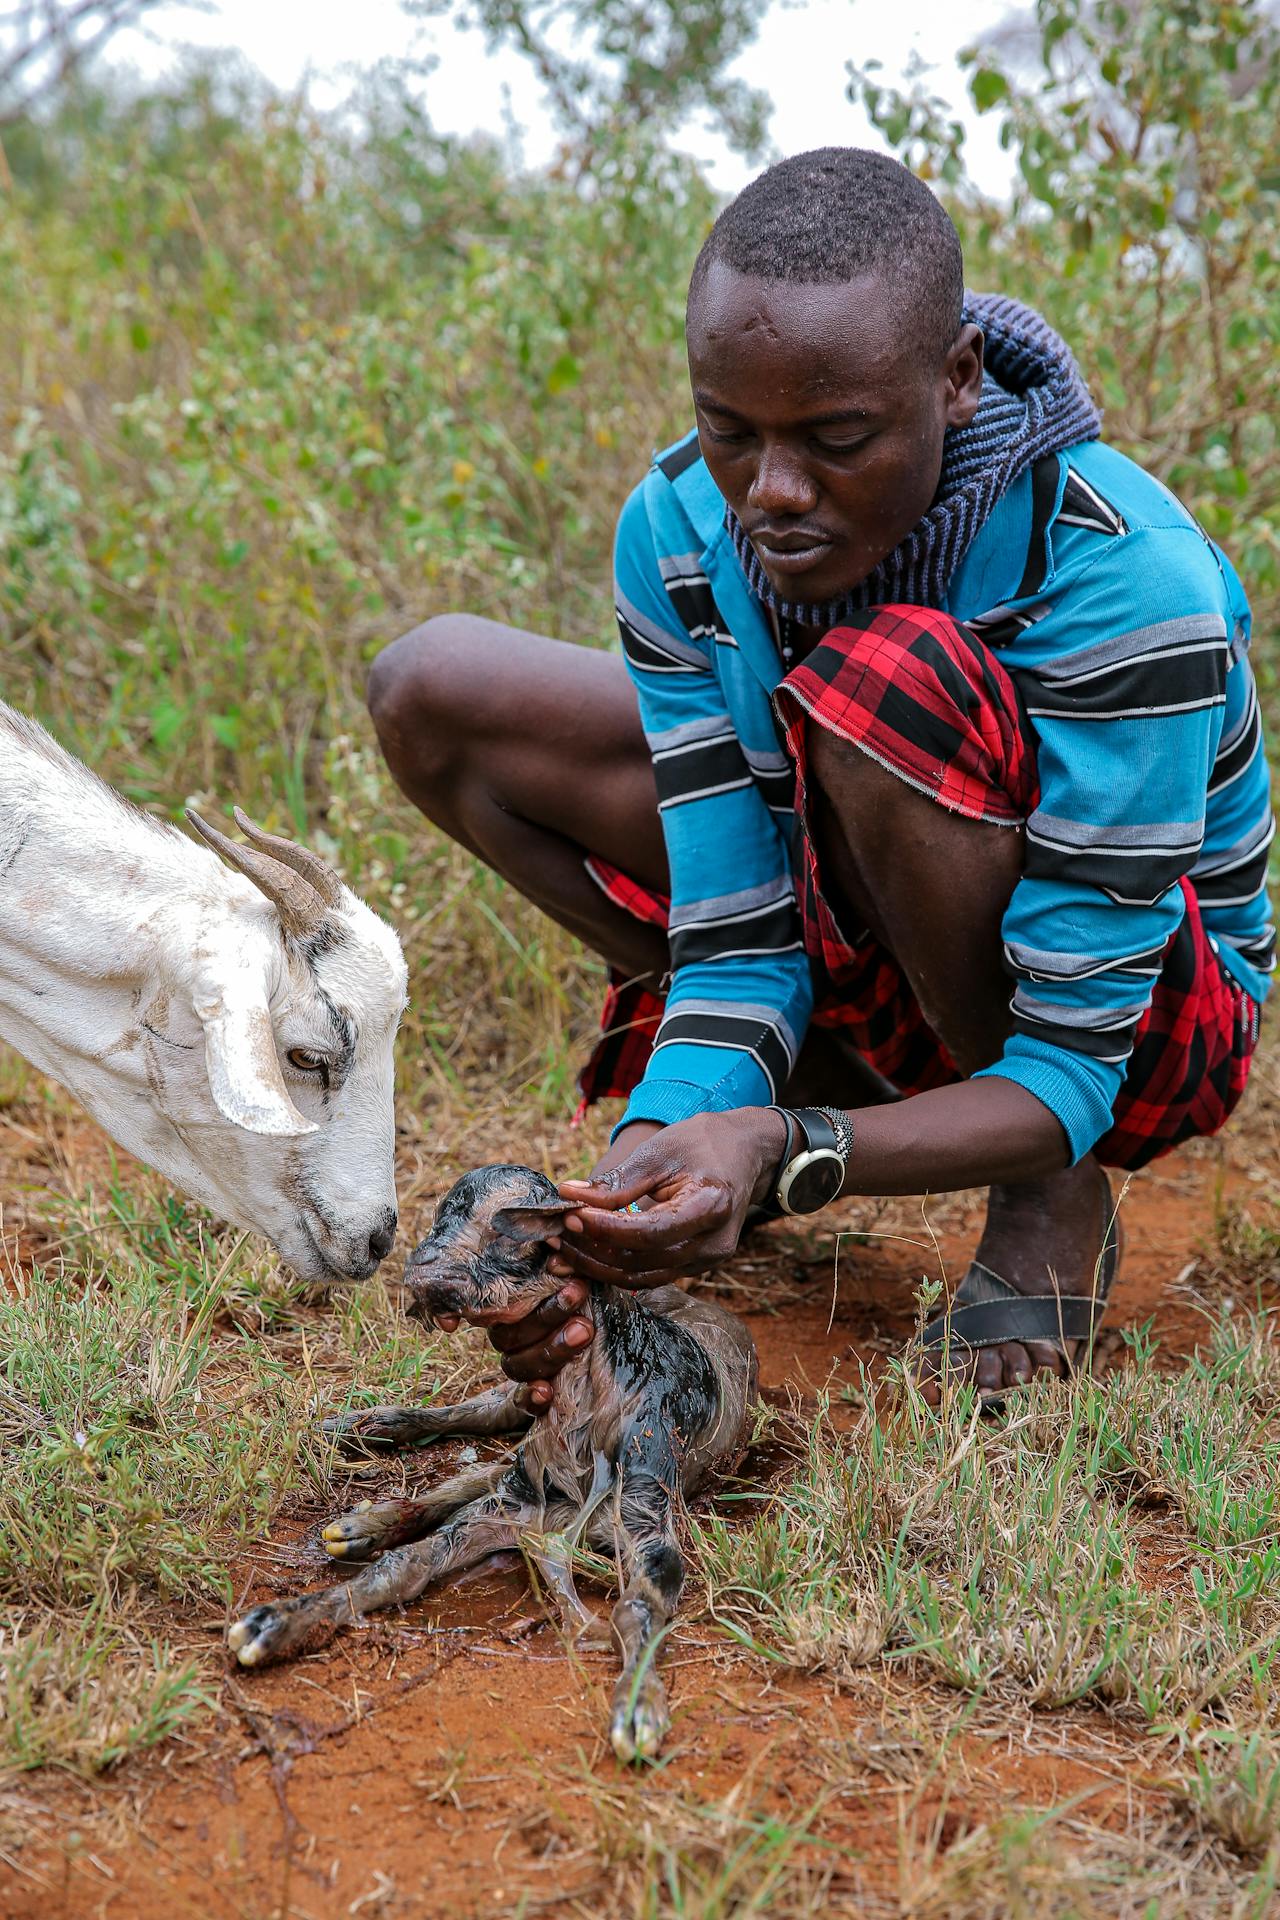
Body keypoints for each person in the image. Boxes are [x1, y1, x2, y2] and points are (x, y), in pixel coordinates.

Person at [367, 148, 1274, 1406]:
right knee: (435, 685)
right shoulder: (685, 527)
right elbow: (736, 939)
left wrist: (791, 1153)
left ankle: (1040, 1184)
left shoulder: (1127, 582)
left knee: (876, 680)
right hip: (853, 914)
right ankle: (812, 1075)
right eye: (729, 430)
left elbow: (1079, 1061)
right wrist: (640, 1178)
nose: (771, 494)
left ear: (955, 382)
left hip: (1139, 1031)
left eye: (836, 438)